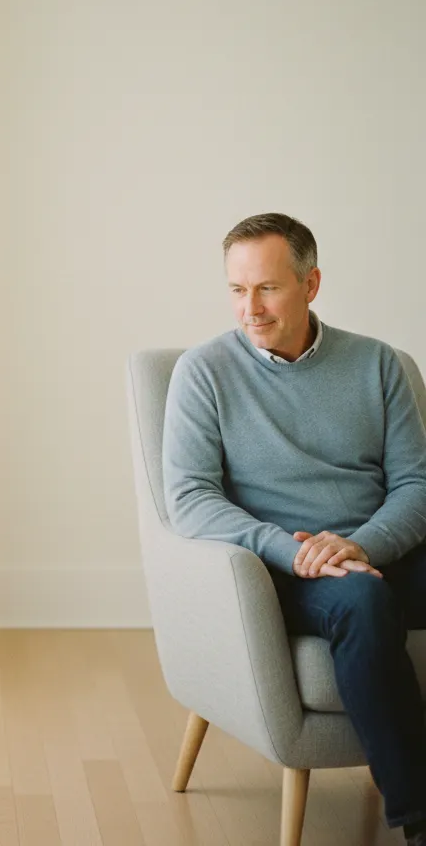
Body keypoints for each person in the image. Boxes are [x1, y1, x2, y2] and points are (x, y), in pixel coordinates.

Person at [163, 212, 426, 844]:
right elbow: (190, 499)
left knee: (365, 584)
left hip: (374, 545)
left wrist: (360, 543)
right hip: (282, 570)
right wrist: (296, 553)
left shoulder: (377, 364)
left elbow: (416, 485)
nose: (249, 308)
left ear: (310, 284)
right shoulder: (204, 372)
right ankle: (419, 818)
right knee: (360, 599)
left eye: (267, 288)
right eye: (236, 289)